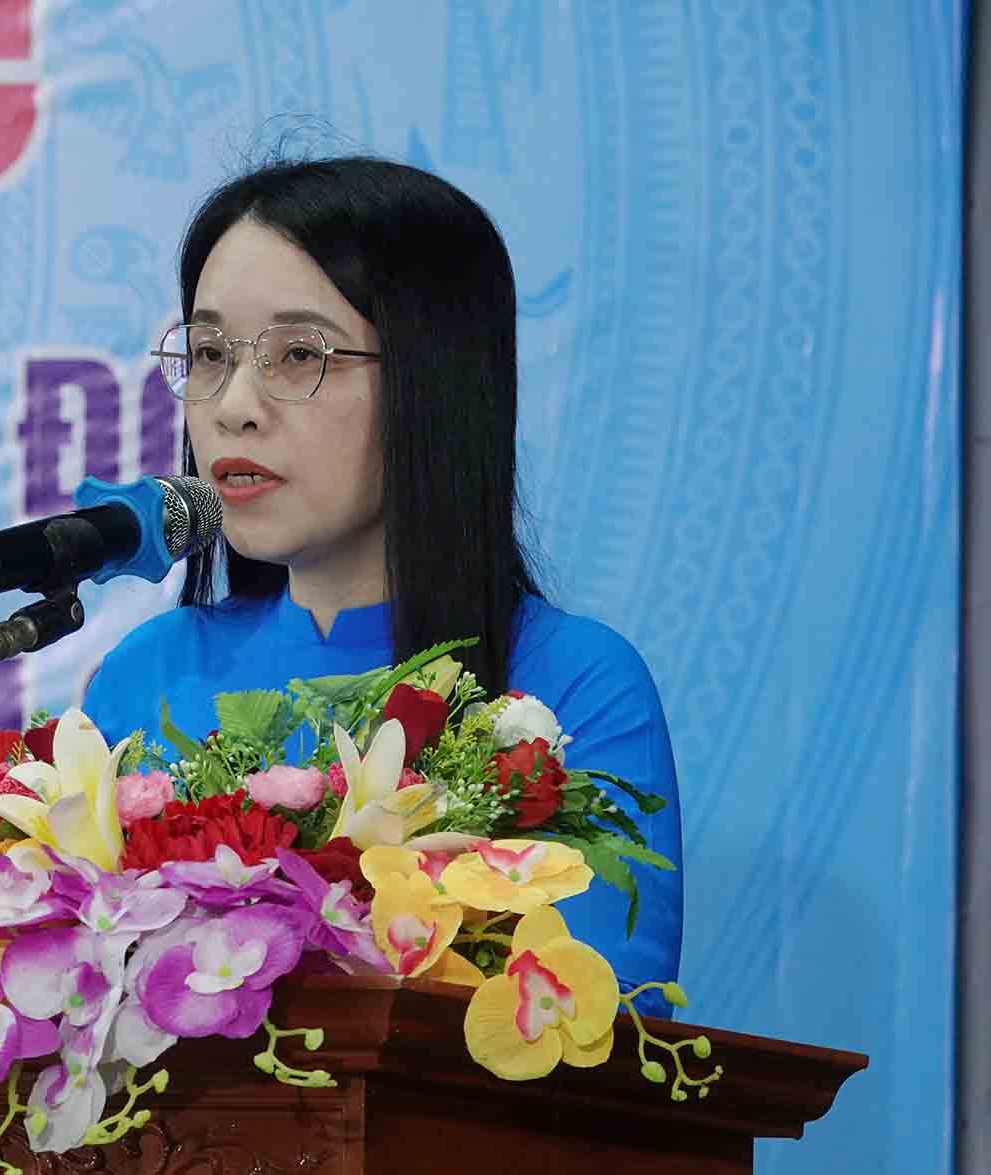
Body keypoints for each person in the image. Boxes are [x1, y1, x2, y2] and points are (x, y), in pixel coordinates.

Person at [80, 156, 683, 1003]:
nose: (233, 405)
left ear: (431, 383)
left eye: (297, 354)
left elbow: (589, 1041)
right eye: (211, 352)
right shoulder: (149, 676)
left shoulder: (574, 687)